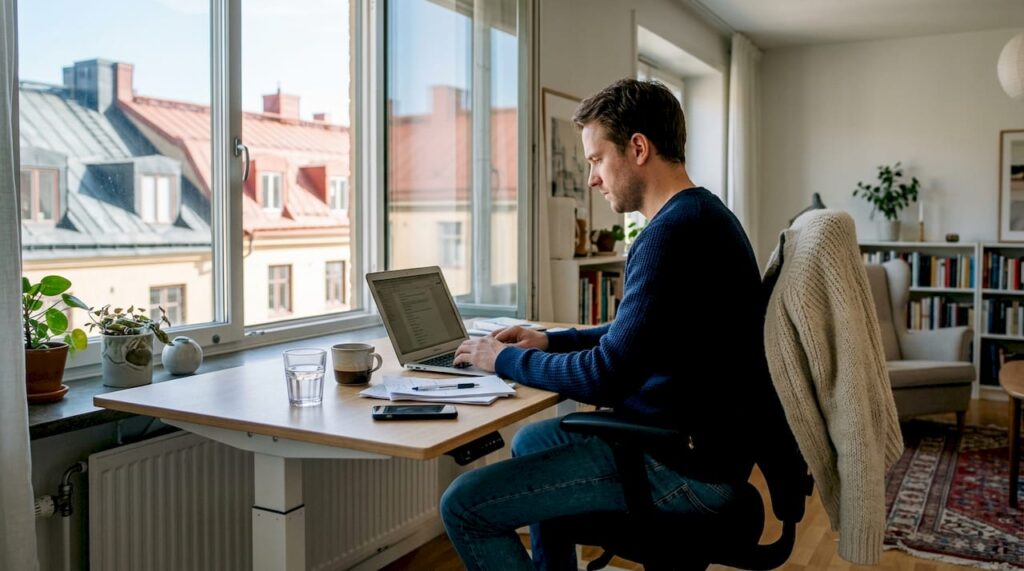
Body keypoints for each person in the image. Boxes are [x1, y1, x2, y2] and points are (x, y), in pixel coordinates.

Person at [442, 78, 766, 571]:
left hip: (683, 467)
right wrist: (549, 339)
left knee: (464, 505)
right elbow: (637, 335)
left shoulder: (672, 234)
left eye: (596, 159)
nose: (592, 178)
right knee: (533, 441)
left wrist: (503, 359)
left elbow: (607, 373)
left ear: (638, 148)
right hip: (690, 446)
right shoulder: (700, 216)